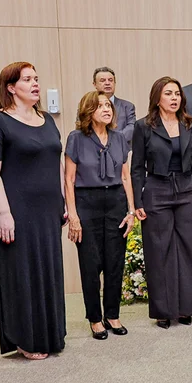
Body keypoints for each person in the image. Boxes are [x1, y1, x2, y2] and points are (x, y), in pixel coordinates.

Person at [0, 62, 66, 360]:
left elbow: (57, 163)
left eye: (36, 78)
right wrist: (4, 213)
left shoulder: (48, 120)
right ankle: (25, 338)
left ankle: (49, 334)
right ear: (11, 87)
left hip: (47, 210)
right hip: (14, 212)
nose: (35, 83)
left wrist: (63, 202)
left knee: (48, 272)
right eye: (27, 79)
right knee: (22, 275)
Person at [132, 76, 192, 329]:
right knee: (159, 250)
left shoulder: (190, 124)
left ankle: (187, 308)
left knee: (188, 249)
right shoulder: (143, 126)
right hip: (157, 190)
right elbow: (136, 168)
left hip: (186, 190)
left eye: (177, 94)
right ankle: (163, 311)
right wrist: (138, 201)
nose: (174, 98)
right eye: (168, 94)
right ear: (157, 98)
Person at [64, 91, 135, 340]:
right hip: (87, 203)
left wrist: (131, 210)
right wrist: (73, 215)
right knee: (90, 264)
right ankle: (95, 318)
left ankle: (112, 315)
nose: (106, 109)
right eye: (100, 105)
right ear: (88, 110)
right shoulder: (76, 138)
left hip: (115, 201)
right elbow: (69, 179)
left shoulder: (119, 138)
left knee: (115, 263)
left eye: (108, 105)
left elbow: (126, 177)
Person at [92, 66, 136, 142]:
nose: (107, 83)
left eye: (110, 80)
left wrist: (113, 142)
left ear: (115, 83)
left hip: (121, 150)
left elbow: (131, 128)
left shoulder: (128, 106)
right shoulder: (87, 106)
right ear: (94, 84)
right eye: (102, 80)